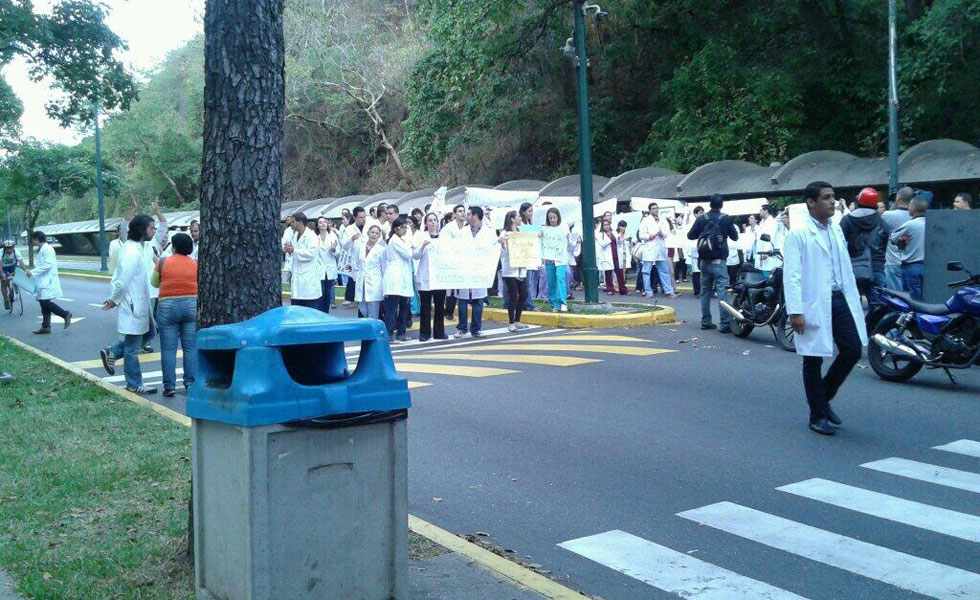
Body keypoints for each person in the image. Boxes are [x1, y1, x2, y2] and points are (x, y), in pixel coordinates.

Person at [784, 182, 866, 436]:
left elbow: (844, 266)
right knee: (813, 358)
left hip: (840, 299)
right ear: (811, 202)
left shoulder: (836, 230)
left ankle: (822, 397)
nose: (833, 202)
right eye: (827, 198)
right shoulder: (798, 235)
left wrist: (855, 293)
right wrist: (795, 311)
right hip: (814, 303)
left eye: (834, 197)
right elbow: (792, 275)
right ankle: (817, 415)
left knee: (852, 350)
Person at [101, 215, 156, 394]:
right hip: (133, 303)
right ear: (142, 230)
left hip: (140, 302)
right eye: (151, 228)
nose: (153, 231)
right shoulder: (132, 251)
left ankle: (114, 352)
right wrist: (113, 300)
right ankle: (134, 383)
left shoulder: (138, 247)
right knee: (132, 349)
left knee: (151, 332)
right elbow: (122, 281)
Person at [152, 232, 197, 398]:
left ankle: (169, 386)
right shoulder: (195, 264)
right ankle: (190, 383)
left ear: (174, 246)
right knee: (190, 347)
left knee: (168, 349)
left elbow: (154, 282)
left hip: (167, 306)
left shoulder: (163, 262)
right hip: (192, 304)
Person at [686, 194, 739, 333]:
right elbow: (735, 236)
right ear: (721, 205)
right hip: (719, 261)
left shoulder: (702, 218)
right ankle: (725, 323)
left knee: (705, 292)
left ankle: (706, 321)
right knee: (722, 292)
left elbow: (690, 235)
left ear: (709, 204)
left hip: (704, 261)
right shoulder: (725, 218)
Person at [455, 206, 493, 338]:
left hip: (480, 271)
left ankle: (476, 328)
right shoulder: (462, 232)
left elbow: (493, 249)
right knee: (462, 300)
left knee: (478, 300)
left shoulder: (488, 232)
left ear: (475, 216)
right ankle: (462, 328)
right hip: (464, 270)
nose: (466, 216)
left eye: (469, 214)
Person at [840, 187, 883, 304]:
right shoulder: (880, 219)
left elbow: (840, 243)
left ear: (858, 201)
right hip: (877, 265)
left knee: (853, 303)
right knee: (879, 304)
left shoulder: (847, 220)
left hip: (853, 266)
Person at [26, 231, 72, 334]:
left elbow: (48, 265)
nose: (32, 241)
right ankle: (46, 326)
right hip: (42, 281)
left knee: (46, 303)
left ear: (37, 238)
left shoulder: (47, 249)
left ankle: (65, 314)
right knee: (43, 303)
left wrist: (32, 272)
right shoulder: (43, 249)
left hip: (48, 281)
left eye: (33, 239)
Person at [415, 212, 447, 341]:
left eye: (435, 220)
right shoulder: (421, 237)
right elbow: (415, 256)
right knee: (425, 306)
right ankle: (424, 333)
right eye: (430, 220)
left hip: (439, 277)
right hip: (425, 276)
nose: (433, 222)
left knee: (440, 306)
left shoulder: (443, 238)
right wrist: (423, 246)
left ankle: (439, 332)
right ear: (426, 223)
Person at [383, 216, 414, 343]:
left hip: (403, 277)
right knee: (392, 308)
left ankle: (401, 333)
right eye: (403, 228)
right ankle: (389, 334)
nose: (405, 230)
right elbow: (408, 254)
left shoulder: (400, 240)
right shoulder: (395, 241)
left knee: (404, 307)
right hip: (395, 277)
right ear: (396, 229)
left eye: (406, 227)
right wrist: (409, 243)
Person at [891, 196, 928, 299]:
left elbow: (893, 238)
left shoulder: (910, 224)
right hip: (930, 267)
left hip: (912, 266)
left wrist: (901, 242)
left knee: (913, 299)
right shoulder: (932, 223)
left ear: (913, 208)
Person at [638, 203, 678, 298]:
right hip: (650, 247)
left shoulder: (663, 219)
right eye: (653, 208)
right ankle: (648, 291)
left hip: (660, 247)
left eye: (657, 208)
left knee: (664, 270)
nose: (656, 210)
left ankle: (669, 290)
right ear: (650, 210)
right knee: (646, 271)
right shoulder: (645, 220)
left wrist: (662, 234)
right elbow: (641, 235)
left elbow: (667, 232)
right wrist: (651, 235)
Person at [498, 210, 529, 332]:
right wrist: (503, 245)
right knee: (513, 296)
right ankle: (511, 322)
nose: (520, 218)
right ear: (512, 219)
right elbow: (503, 253)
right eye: (518, 217)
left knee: (523, 295)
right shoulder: (504, 233)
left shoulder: (522, 232)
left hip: (521, 269)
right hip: (510, 270)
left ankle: (517, 320)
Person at [284, 212, 322, 309]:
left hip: (308, 280)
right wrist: (289, 250)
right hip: (297, 278)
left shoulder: (311, 236)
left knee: (309, 312)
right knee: (296, 311)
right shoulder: (295, 235)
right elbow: (293, 252)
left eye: (293, 222)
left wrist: (294, 250)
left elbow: (311, 254)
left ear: (300, 222)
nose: (291, 224)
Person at [879, 186, 913, 291]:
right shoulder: (917, 216)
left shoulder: (887, 215)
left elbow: (879, 235)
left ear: (898, 198)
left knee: (896, 296)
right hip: (913, 261)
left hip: (893, 261)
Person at [442, 204, 469, 319]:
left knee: (462, 287)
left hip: (464, 261)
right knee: (451, 288)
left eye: (464, 211)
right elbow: (445, 244)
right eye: (459, 211)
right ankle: (449, 311)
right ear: (454, 214)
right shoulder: (448, 228)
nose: (462, 213)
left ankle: (459, 312)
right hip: (451, 261)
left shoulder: (468, 228)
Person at [354, 224, 385, 319]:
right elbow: (356, 262)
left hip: (375, 282)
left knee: (373, 311)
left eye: (376, 233)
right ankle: (364, 331)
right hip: (361, 281)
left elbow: (384, 268)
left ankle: (373, 332)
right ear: (368, 233)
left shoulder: (382, 249)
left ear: (379, 236)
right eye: (372, 232)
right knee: (362, 309)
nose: (374, 235)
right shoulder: (360, 246)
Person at [544, 207, 570, 312]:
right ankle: (554, 304)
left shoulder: (564, 227)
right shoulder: (545, 229)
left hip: (560, 258)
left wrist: (569, 238)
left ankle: (563, 302)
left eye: (554, 217)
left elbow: (570, 243)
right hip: (550, 258)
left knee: (560, 278)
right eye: (550, 218)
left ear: (558, 217)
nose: (552, 220)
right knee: (551, 281)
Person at [340, 207, 368, 306]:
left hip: (369, 263)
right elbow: (345, 246)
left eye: (364, 217)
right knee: (358, 287)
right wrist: (351, 239)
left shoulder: (370, 227)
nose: (363, 219)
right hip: (356, 263)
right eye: (361, 217)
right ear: (354, 217)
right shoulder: (349, 229)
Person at [315, 216, 339, 312]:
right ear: (317, 225)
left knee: (328, 293)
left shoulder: (332, 236)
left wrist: (333, 249)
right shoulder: (314, 238)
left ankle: (326, 312)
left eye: (325, 222)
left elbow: (338, 252)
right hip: (319, 268)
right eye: (320, 222)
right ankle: (319, 312)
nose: (323, 224)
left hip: (330, 267)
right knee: (320, 292)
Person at [598, 220, 627, 295]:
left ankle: (623, 289)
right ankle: (610, 289)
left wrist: (620, 236)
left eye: (607, 224)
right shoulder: (601, 234)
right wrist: (609, 238)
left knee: (619, 272)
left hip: (616, 255)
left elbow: (619, 242)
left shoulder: (614, 232)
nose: (606, 226)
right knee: (608, 273)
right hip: (607, 256)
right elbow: (602, 244)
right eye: (604, 225)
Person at [754, 205, 780, 277]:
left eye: (761, 210)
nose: (760, 212)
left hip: (767, 253)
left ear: (766, 211)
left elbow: (770, 237)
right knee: (762, 274)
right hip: (760, 252)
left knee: (767, 275)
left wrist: (766, 252)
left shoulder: (772, 222)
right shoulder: (762, 222)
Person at [1, 240, 27, 311]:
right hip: (3, 268)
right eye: (7, 248)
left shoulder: (16, 252)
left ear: (13, 247)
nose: (9, 250)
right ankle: (6, 300)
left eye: (11, 248)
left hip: (13, 267)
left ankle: (15, 288)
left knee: (16, 275)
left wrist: (26, 272)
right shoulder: (1, 252)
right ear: (4, 248)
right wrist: (2, 274)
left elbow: (21, 263)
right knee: (4, 282)